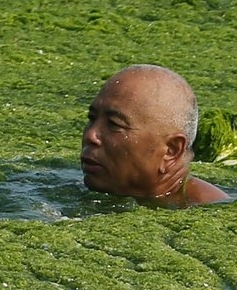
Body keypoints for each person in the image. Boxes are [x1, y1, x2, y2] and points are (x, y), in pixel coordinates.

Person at [80, 65, 227, 207]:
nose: (90, 136)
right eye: (92, 118)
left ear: (171, 151)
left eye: (114, 124)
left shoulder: (207, 212)